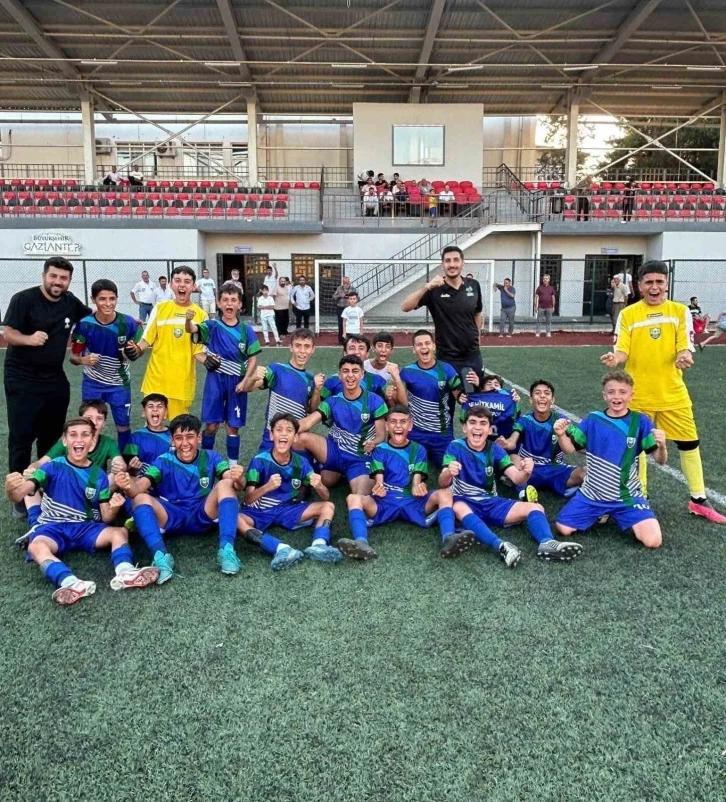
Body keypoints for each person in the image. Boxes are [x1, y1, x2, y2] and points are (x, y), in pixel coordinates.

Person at [601, 259, 726, 522]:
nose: (654, 287)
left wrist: (684, 357)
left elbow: (685, 346)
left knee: (689, 442)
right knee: (637, 447)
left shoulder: (679, 311)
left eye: (659, 281)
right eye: (649, 282)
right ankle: (640, 496)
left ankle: (698, 499)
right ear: (639, 286)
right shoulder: (629, 314)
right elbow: (622, 350)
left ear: (667, 284)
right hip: (638, 395)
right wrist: (615, 358)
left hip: (672, 392)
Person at [5, 417, 158, 605]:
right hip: (54, 527)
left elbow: (106, 516)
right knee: (36, 546)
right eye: (73, 435)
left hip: (86, 527)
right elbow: (19, 494)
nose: (79, 440)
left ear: (92, 441)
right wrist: (10, 489)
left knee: (120, 532)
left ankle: (125, 572)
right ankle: (69, 582)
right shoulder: (52, 467)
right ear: (65, 440)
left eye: (85, 435)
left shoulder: (99, 476)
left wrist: (115, 506)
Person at [3, 256, 91, 516]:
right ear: (44, 276)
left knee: (52, 437)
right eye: (53, 276)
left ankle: (45, 485)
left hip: (54, 378)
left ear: (69, 281)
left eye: (63, 278)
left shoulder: (70, 302)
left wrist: (122, 323)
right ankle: (20, 495)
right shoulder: (24, 299)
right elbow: (8, 333)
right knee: (22, 437)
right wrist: (29, 338)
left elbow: (90, 318)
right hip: (22, 379)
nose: (57, 282)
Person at [440, 406, 584, 564]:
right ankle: (501, 546)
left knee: (535, 507)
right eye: (472, 422)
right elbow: (442, 482)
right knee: (458, 506)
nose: (477, 427)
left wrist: (526, 472)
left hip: (490, 502)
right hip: (465, 502)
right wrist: (448, 472)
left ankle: (547, 543)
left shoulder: (495, 449)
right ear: (464, 427)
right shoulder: (455, 446)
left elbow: (516, 478)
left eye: (483, 423)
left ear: (490, 429)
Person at [117, 414, 246, 581]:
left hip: (202, 513)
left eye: (190, 437)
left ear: (199, 438)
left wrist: (239, 478)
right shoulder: (162, 460)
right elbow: (139, 488)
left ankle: (227, 550)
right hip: (173, 515)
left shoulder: (211, 457)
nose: (184, 443)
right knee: (140, 498)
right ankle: (161, 557)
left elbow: (235, 483)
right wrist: (127, 486)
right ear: (172, 440)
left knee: (226, 484)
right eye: (179, 438)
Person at [338, 405, 475, 561]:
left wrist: (418, 487)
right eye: (393, 422)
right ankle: (361, 542)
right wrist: (379, 487)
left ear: (410, 425)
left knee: (445, 493)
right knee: (353, 498)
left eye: (403, 422)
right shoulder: (379, 450)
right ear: (387, 426)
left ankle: (449, 538)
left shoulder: (419, 449)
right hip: (385, 501)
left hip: (412, 500)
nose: (398, 426)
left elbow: (417, 477)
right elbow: (379, 478)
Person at [555, 371, 667, 549]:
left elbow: (660, 460)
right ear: (604, 395)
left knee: (653, 541)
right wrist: (561, 435)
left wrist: (662, 446)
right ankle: (600, 512)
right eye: (611, 392)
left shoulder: (640, 421)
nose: (617, 397)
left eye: (622, 392)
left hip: (627, 495)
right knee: (563, 528)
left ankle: (619, 513)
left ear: (631, 395)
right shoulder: (593, 419)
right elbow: (569, 449)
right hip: (592, 494)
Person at [238, 413, 342, 566]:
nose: (283, 434)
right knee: (236, 519)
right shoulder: (259, 461)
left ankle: (319, 545)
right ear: (271, 435)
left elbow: (326, 497)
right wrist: (267, 487)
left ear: (295, 437)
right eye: (279, 430)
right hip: (259, 510)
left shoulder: (301, 463)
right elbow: (247, 499)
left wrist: (319, 485)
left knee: (328, 506)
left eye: (289, 430)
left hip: (287, 509)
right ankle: (280, 549)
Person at [185, 283, 260, 465]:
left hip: (237, 383)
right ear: (218, 303)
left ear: (239, 304)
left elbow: (253, 359)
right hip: (215, 380)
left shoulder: (246, 330)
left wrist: (246, 381)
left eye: (233, 300)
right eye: (225, 300)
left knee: (233, 427)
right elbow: (192, 330)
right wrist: (188, 321)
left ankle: (233, 467)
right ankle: (206, 463)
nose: (229, 304)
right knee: (212, 425)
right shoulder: (212, 326)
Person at [296, 355, 388, 494]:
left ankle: (349, 472)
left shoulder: (375, 401)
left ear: (362, 374)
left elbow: (381, 435)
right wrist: (285, 429)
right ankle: (303, 482)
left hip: (360, 457)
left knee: (360, 496)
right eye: (345, 371)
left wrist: (373, 442)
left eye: (355, 371)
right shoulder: (332, 401)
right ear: (339, 375)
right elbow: (308, 421)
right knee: (299, 438)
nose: (350, 375)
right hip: (335, 451)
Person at [127, 265, 207, 421]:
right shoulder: (160, 308)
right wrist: (135, 350)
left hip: (181, 384)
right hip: (155, 381)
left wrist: (212, 362)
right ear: (171, 284)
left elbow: (198, 351)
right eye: (177, 280)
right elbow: (146, 340)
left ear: (194, 286)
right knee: (152, 428)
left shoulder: (201, 315)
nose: (182, 285)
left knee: (178, 429)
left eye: (187, 281)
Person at [70, 279, 142, 452]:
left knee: (123, 426)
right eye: (102, 299)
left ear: (117, 298)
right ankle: (90, 461)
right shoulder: (85, 324)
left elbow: (138, 349)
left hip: (119, 384)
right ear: (93, 299)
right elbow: (73, 356)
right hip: (93, 383)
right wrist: (83, 360)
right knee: (89, 426)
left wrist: (133, 351)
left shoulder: (128, 323)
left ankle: (125, 461)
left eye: (112, 298)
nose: (108, 303)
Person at [401, 246, 484, 380]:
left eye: (456, 260)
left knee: (475, 392)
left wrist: (478, 339)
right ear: (442, 265)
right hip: (446, 358)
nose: (452, 264)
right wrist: (428, 286)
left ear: (463, 263)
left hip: (473, 356)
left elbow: (477, 314)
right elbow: (405, 307)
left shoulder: (474, 285)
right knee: (448, 393)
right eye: (447, 261)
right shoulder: (434, 289)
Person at [498, 380, 585, 501]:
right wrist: (505, 443)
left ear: (552, 400)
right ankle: (524, 493)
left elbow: (576, 446)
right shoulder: (524, 420)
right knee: (513, 458)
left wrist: (598, 452)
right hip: (529, 469)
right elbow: (512, 442)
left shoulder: (561, 420)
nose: (542, 396)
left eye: (547, 393)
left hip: (555, 469)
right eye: (537, 393)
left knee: (585, 472)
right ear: (531, 399)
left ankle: (517, 483)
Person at [240, 328, 322, 451]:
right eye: (298, 346)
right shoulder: (276, 370)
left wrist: (317, 391)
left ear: (313, 349)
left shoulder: (311, 378)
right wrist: (253, 378)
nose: (302, 351)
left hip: (296, 440)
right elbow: (247, 388)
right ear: (291, 347)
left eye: (307, 346)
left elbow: (312, 410)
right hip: (272, 439)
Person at [396, 330, 462, 468]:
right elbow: (401, 402)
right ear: (414, 349)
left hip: (442, 433)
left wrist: (472, 388)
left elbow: (460, 396)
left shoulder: (447, 369)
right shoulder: (407, 372)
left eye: (427, 343)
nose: (424, 347)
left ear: (434, 346)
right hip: (416, 433)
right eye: (419, 344)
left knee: (453, 468)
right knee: (404, 468)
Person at [320, 335, 398, 402]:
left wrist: (390, 396)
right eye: (352, 348)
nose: (356, 352)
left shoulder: (378, 381)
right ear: (345, 352)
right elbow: (318, 408)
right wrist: (317, 390)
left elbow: (391, 406)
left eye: (361, 348)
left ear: (367, 353)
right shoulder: (332, 381)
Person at [459, 373, 520, 442]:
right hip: (478, 438)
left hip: (501, 440)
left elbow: (517, 417)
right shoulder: (472, 398)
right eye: (489, 384)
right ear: (482, 389)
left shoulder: (511, 398)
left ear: (502, 389)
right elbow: (464, 418)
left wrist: (514, 400)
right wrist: (464, 399)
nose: (492, 386)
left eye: (496, 384)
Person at [123, 394, 172, 475]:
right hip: (143, 480)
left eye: (159, 406)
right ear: (144, 413)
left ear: (166, 412)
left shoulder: (174, 435)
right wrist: (132, 468)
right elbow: (127, 467)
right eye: (150, 406)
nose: (155, 409)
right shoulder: (136, 437)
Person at [333, 276, 357, 345]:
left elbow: (358, 298)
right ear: (343, 282)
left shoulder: (353, 289)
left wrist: (350, 297)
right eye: (344, 283)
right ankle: (341, 340)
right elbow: (334, 297)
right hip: (340, 308)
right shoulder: (339, 288)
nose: (346, 284)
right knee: (341, 324)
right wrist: (339, 296)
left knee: (350, 323)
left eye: (347, 282)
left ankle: (350, 340)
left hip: (350, 308)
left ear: (349, 282)